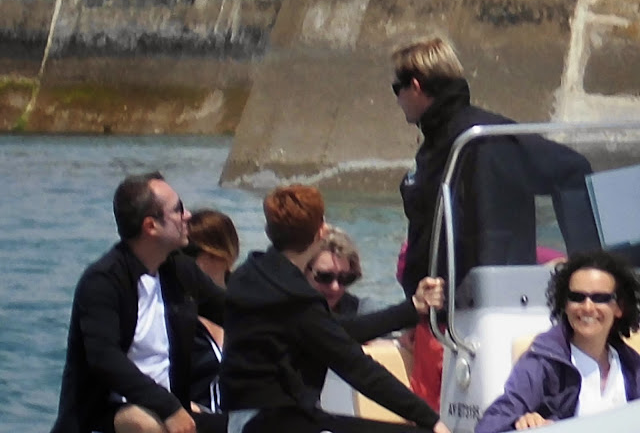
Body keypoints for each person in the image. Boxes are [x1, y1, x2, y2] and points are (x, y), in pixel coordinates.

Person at [391, 36, 600, 409]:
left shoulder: (473, 139)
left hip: (458, 321)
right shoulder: (471, 137)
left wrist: (587, 271)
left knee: (438, 417)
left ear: (417, 86)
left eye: (397, 89)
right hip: (451, 314)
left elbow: (573, 170)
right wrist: (592, 266)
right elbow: (574, 170)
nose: (397, 99)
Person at [220, 184, 451, 433]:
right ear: (321, 231)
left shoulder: (249, 275)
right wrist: (431, 420)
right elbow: (355, 366)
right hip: (275, 422)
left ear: (269, 230)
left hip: (243, 421)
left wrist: (412, 309)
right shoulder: (297, 300)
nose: (335, 286)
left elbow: (336, 331)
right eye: (325, 277)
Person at [51, 172, 227, 433]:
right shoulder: (103, 281)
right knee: (146, 425)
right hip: (107, 416)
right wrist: (168, 407)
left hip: (173, 411)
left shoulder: (180, 271)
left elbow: (234, 312)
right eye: (178, 209)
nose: (188, 215)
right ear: (151, 226)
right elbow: (105, 359)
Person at [475, 250, 640, 432]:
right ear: (565, 305)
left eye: (600, 298)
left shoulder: (632, 366)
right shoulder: (542, 363)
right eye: (577, 297)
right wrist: (521, 422)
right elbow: (490, 424)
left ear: (619, 308)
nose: (587, 307)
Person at [183, 209, 239, 415]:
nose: (180, 260)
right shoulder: (176, 311)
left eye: (189, 252)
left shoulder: (250, 304)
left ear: (221, 254)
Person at [305, 225, 385, 315]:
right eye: (325, 277)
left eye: (344, 278)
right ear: (303, 271)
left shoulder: (364, 313)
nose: (335, 287)